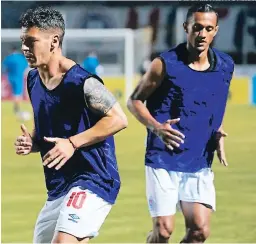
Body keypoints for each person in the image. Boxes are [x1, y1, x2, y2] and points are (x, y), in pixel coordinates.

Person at [14, 6, 127, 244]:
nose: (25, 48)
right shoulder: (33, 79)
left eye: (31, 41)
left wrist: (72, 143)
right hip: (58, 185)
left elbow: (119, 119)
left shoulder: (81, 82)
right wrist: (33, 142)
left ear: (54, 41)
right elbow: (50, 127)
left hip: (94, 178)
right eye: (23, 41)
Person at [127, 4, 234, 243]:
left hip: (198, 160)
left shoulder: (226, 65)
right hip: (162, 158)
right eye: (197, 28)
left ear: (215, 30)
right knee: (163, 231)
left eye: (208, 28)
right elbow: (134, 101)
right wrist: (157, 127)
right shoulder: (164, 64)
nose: (202, 34)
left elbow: (217, 102)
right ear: (186, 28)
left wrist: (217, 131)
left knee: (199, 231)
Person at [2, 46, 30, 120]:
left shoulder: (8, 58)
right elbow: (26, 68)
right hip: (19, 78)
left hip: (10, 78)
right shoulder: (21, 58)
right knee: (18, 94)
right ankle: (17, 109)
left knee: (14, 93)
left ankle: (16, 108)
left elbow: (4, 68)